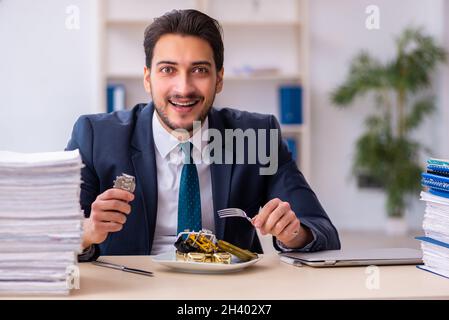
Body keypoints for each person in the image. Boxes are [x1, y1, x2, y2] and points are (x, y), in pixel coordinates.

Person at [66, 9, 340, 261]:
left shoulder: (258, 136)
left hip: (227, 292)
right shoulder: (95, 136)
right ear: (147, 78)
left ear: (219, 79)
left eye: (199, 70)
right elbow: (49, 238)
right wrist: (87, 231)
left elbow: (322, 231)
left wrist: (294, 233)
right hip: (133, 287)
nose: (183, 88)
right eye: (168, 70)